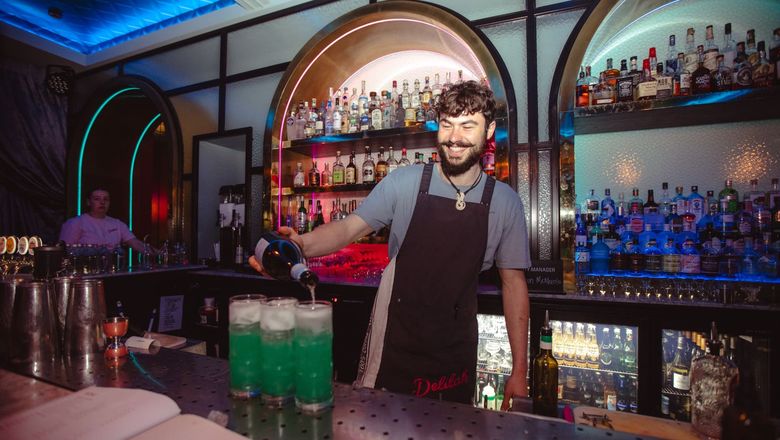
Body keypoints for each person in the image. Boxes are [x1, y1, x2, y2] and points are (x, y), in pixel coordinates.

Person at [250, 80, 530, 407]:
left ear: (489, 130)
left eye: (468, 126)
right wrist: (299, 245)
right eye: (447, 125)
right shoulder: (404, 182)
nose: (455, 137)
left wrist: (519, 370)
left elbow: (514, 284)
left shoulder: (505, 202)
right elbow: (347, 228)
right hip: (396, 340)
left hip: (456, 348)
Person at [59, 188, 148, 253]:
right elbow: (64, 250)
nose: (102, 202)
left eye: (106, 199)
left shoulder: (117, 224)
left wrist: (155, 254)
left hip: (112, 269)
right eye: (97, 199)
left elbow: (136, 244)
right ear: (88, 202)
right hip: (84, 270)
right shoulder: (75, 223)